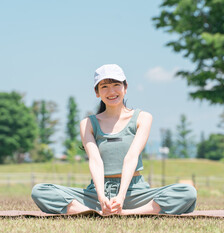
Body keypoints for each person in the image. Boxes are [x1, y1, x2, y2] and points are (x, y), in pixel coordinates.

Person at [31, 64, 197, 215]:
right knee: (40, 190)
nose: (111, 92)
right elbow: (95, 161)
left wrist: (121, 197)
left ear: (125, 88)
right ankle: (89, 211)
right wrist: (102, 196)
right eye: (104, 86)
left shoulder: (143, 118)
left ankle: (127, 212)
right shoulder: (88, 123)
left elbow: (131, 157)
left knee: (188, 192)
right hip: (96, 193)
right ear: (97, 92)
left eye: (116, 85)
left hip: (135, 191)